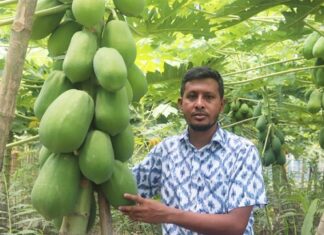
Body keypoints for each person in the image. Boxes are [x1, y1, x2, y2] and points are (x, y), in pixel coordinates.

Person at [119, 66, 268, 235]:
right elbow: (126, 190)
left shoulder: (242, 151)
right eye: (192, 96)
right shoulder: (165, 151)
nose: (199, 104)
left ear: (221, 105)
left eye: (208, 97)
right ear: (181, 104)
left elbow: (236, 225)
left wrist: (168, 215)